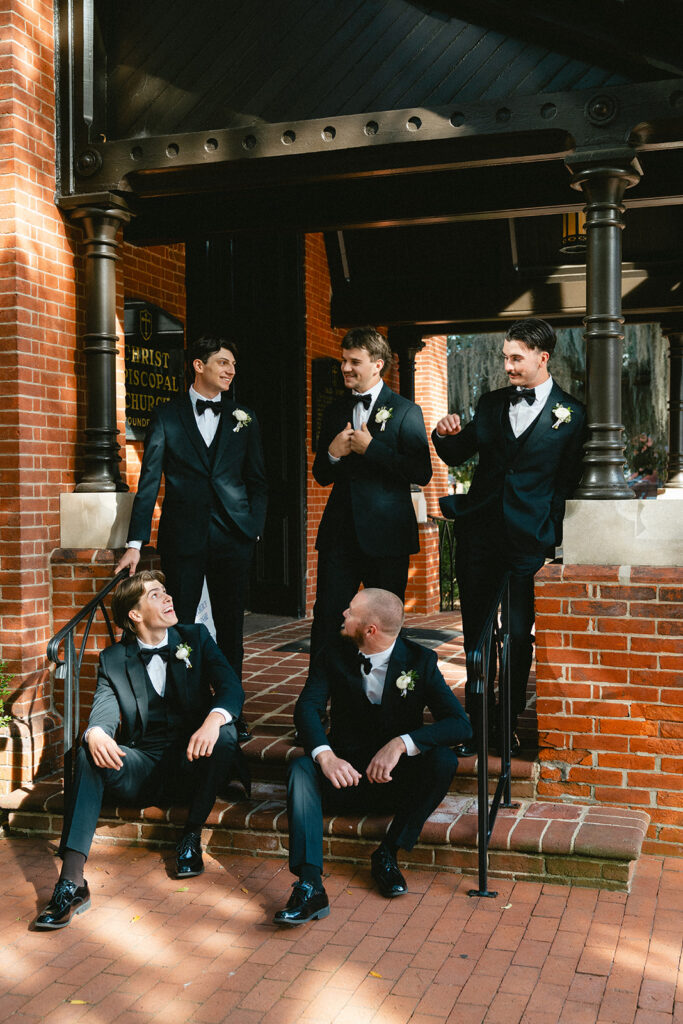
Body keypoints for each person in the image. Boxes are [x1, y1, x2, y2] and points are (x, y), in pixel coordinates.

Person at [34, 570, 248, 930]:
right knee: (86, 750)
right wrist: (97, 733)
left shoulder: (195, 637)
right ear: (134, 614)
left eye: (166, 592)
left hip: (192, 760)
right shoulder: (114, 658)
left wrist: (213, 720)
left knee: (225, 734)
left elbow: (231, 688)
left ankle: (190, 837)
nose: (168, 599)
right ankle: (72, 882)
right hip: (142, 765)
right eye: (155, 595)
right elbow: (102, 708)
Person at [432, 318, 587, 754]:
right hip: (479, 534)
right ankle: (477, 727)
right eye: (505, 357)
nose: (509, 366)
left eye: (517, 358)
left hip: (528, 541)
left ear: (543, 358)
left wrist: (550, 531)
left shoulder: (572, 414)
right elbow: (459, 452)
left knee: (519, 635)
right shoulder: (492, 403)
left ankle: (508, 722)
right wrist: (443, 434)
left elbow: (566, 483)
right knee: (477, 633)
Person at [273, 588, 471, 926]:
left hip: (394, 782)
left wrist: (401, 744)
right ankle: (309, 885)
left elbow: (459, 725)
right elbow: (307, 708)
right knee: (300, 769)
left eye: (350, 612)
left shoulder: (420, 661)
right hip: (342, 777)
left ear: (370, 630)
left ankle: (388, 854)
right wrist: (326, 757)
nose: (343, 616)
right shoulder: (332, 653)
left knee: (444, 761)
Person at [116, 336, 267, 743]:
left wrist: (252, 527)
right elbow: (149, 483)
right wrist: (135, 543)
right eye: (222, 362)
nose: (230, 370)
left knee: (232, 627)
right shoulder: (167, 416)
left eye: (233, 364)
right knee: (177, 625)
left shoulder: (244, 417)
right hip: (182, 537)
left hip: (233, 537)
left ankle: (231, 713)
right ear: (198, 366)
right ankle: (186, 711)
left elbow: (258, 481)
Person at [310, 327, 432, 662]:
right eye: (343, 360)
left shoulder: (407, 411)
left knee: (385, 624)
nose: (345, 368)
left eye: (354, 361)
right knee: (327, 620)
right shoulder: (335, 411)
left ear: (377, 365)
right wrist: (333, 453)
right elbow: (321, 474)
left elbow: (421, 472)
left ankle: (383, 698)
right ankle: (318, 701)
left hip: (388, 539)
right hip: (339, 536)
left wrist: (372, 449)